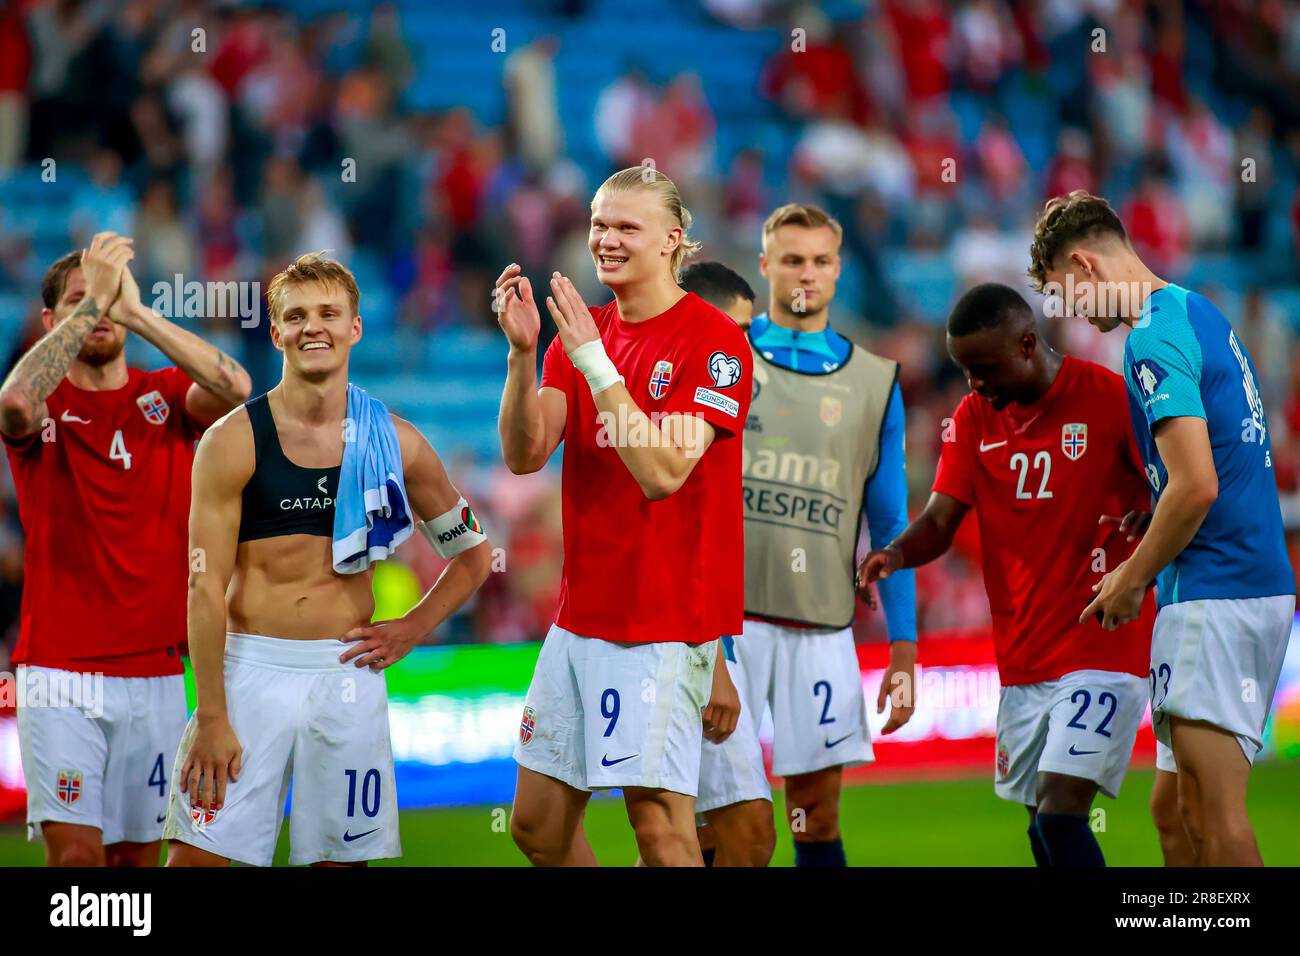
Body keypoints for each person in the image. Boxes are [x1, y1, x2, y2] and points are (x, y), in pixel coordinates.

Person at [163, 253, 492, 867]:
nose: (313, 326)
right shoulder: (232, 439)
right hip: (249, 671)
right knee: (196, 861)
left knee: (340, 863)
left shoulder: (397, 442)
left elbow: (474, 554)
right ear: (277, 332)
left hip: (346, 674)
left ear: (355, 327)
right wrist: (210, 713)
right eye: (297, 316)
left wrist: (414, 627)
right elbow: (203, 589)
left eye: (328, 313)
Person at [497, 167, 752, 867]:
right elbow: (524, 454)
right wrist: (523, 357)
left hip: (663, 623)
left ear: (673, 240)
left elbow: (664, 473)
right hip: (580, 618)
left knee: (663, 833)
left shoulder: (714, 342)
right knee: (537, 827)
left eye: (625, 226)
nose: (605, 239)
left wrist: (594, 363)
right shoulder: (576, 337)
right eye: (598, 223)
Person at [1032, 191, 1294, 866]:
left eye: (1069, 295)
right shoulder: (1196, 311)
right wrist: (1157, 510)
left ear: (1085, 264)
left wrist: (1131, 576)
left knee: (1213, 809)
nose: (1079, 315)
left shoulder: (1152, 333)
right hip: (1238, 580)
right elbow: (1223, 462)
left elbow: (1198, 483)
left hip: (1217, 590)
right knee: (1174, 813)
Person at [858, 282, 1155, 867]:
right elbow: (941, 521)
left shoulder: (1109, 398)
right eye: (964, 370)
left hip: (1103, 642)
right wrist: (893, 554)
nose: (974, 384)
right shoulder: (972, 419)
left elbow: (1175, 484)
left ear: (1026, 344)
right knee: (1040, 833)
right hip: (1022, 654)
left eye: (985, 367)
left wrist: (1148, 528)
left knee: (1061, 816)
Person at [0, 233, 252, 866]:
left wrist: (135, 311)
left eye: (108, 301)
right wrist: (94, 303)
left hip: (158, 673)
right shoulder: (44, 401)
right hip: (59, 669)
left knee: (136, 862)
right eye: (82, 303)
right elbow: (12, 404)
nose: (100, 312)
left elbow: (236, 389)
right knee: (77, 861)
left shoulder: (163, 395)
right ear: (53, 321)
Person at [739, 204, 917, 868]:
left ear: (838, 271)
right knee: (719, 825)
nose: (805, 274)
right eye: (790, 260)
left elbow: (893, 527)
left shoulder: (876, 382)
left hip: (821, 627)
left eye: (818, 261)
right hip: (727, 625)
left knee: (816, 819)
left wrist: (904, 648)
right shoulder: (724, 358)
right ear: (765, 267)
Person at [678, 260, 771, 866]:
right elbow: (677, 538)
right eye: (738, 331)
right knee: (749, 835)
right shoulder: (685, 414)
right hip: (688, 643)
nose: (748, 349)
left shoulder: (717, 402)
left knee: (688, 837)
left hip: (715, 637)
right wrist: (712, 660)